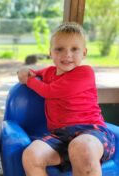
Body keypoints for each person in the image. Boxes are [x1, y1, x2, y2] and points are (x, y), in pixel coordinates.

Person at [17, 22, 115, 176]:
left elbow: (49, 91)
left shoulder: (85, 73)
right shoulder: (49, 72)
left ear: (84, 52)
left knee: (81, 148)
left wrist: (29, 80)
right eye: (59, 49)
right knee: (31, 156)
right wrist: (24, 71)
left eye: (74, 49)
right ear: (50, 53)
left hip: (91, 132)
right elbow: (33, 72)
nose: (67, 54)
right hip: (60, 136)